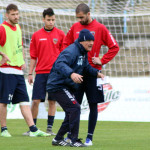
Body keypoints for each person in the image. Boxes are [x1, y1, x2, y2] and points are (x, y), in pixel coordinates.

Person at [63, 3, 119, 146]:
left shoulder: (100, 28)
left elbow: (114, 47)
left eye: (81, 17)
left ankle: (89, 137)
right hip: (77, 74)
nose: (79, 20)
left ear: (88, 14)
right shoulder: (75, 27)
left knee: (93, 105)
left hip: (93, 73)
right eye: (77, 18)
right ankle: (70, 136)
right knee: (74, 105)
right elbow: (65, 44)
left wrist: (102, 60)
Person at [46, 29, 105, 147]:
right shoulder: (72, 51)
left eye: (92, 41)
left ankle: (57, 139)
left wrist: (97, 73)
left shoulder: (83, 52)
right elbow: (60, 64)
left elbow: (86, 67)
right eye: (88, 40)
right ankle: (74, 140)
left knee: (71, 111)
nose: (91, 43)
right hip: (58, 85)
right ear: (82, 41)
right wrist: (71, 74)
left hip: (65, 86)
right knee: (75, 108)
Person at [0, 4, 50, 137]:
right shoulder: (2, 29)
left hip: (18, 71)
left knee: (24, 101)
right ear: (7, 15)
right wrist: (3, 55)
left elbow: (19, 46)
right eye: (13, 14)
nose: (16, 17)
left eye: (17, 14)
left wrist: (22, 61)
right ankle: (4, 129)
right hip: (6, 71)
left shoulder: (18, 27)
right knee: (4, 101)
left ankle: (33, 129)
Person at [23, 8, 65, 136]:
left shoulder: (61, 34)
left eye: (53, 20)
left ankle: (49, 128)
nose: (51, 22)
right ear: (43, 19)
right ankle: (32, 128)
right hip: (40, 73)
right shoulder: (36, 35)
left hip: (55, 74)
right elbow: (33, 57)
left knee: (52, 101)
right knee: (35, 101)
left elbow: (64, 56)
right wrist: (30, 73)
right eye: (48, 20)